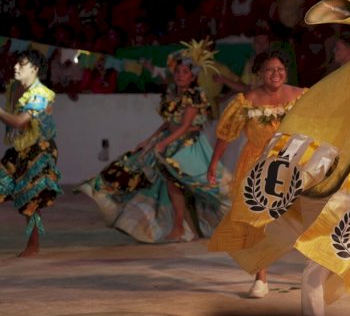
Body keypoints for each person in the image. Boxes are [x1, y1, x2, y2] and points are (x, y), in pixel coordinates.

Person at [76, 42, 230, 243]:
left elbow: (184, 126)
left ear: (193, 76)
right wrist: (148, 140)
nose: (180, 75)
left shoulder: (194, 94)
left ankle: (181, 228)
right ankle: (181, 227)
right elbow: (169, 123)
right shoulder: (173, 93)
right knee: (139, 167)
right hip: (171, 141)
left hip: (188, 145)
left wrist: (163, 143)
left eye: (185, 72)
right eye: (178, 72)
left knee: (181, 182)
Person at [207, 51, 306, 298]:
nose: (276, 74)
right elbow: (226, 135)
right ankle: (261, 278)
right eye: (270, 70)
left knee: (306, 219)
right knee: (257, 222)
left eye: (280, 69)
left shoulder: (302, 95)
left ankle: (320, 272)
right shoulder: (246, 101)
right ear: (259, 74)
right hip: (257, 165)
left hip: (293, 161)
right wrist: (213, 163)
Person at [0, 49, 62, 257]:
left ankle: (33, 246)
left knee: (30, 199)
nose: (16, 67)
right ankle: (32, 245)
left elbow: (19, 122)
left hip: (39, 151)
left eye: (22, 64)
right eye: (16, 63)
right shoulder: (16, 88)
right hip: (21, 149)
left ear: (34, 69)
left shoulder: (40, 94)